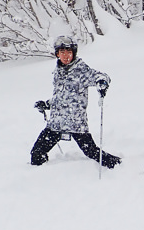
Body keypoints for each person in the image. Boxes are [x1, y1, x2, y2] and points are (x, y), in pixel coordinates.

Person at [31, 35, 122, 168]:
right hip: (56, 123)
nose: (66, 55)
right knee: (36, 154)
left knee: (92, 152)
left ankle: (119, 165)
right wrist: (47, 104)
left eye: (69, 52)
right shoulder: (58, 72)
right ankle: (42, 176)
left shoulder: (81, 70)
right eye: (62, 52)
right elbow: (61, 96)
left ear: (74, 53)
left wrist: (102, 82)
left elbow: (101, 76)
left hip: (76, 123)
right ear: (57, 54)